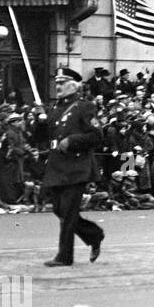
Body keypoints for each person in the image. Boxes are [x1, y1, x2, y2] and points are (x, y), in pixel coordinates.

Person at [41, 67, 105, 266]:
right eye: (57, 83)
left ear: (73, 86)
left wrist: (72, 141)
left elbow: (96, 136)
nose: (58, 86)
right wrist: (39, 121)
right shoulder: (55, 108)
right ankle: (94, 235)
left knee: (68, 212)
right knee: (59, 210)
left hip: (77, 166)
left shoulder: (84, 107)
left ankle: (64, 256)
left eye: (62, 83)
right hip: (57, 166)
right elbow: (41, 137)